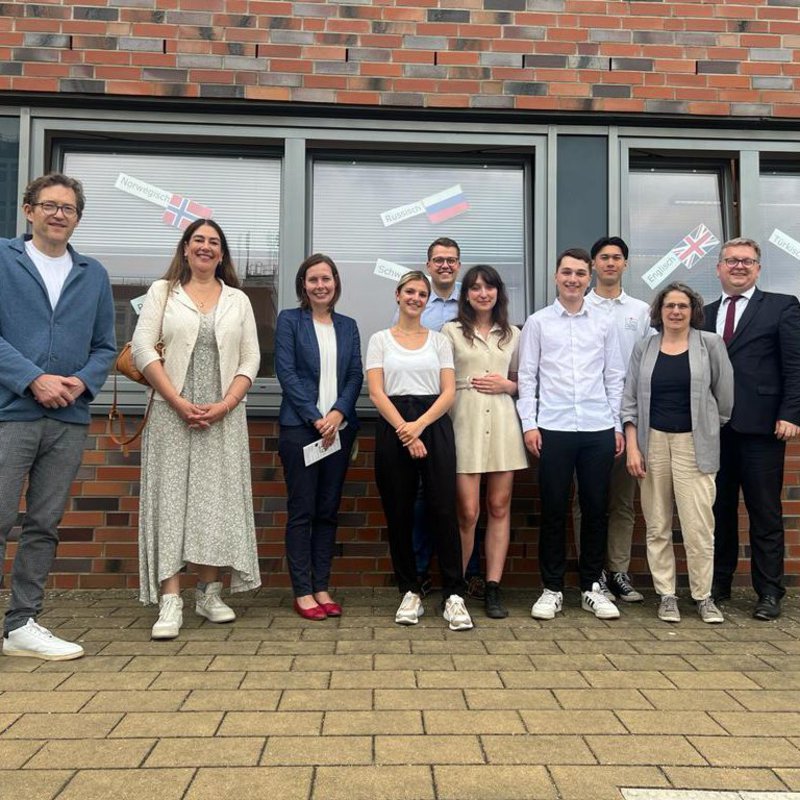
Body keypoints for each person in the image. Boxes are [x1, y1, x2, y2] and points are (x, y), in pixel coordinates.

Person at [0, 173, 115, 661]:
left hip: (68, 418)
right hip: (11, 413)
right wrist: (32, 378)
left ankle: (22, 624)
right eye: (49, 205)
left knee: (44, 523)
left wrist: (82, 382)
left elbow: (106, 345)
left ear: (78, 218)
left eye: (68, 208)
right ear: (29, 211)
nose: (59, 214)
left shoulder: (93, 273)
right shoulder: (4, 260)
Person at [132, 218, 261, 640]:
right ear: (185, 249)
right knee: (171, 501)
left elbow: (250, 359)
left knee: (213, 500)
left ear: (222, 254)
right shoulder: (161, 292)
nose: (205, 247)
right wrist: (176, 400)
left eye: (214, 243)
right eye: (198, 241)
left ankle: (208, 592)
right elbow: (142, 347)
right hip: (174, 410)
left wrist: (223, 405)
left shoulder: (238, 299)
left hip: (222, 415)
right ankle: (171, 599)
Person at [517, 248, 624, 621]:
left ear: (589, 277)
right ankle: (552, 588)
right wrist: (529, 424)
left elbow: (613, 376)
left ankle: (593, 586)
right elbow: (527, 378)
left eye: (580, 273)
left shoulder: (603, 323)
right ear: (555, 277)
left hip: (597, 427)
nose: (573, 279)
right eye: (567, 272)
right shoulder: (538, 322)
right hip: (553, 428)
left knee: (596, 508)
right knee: (554, 509)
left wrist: (614, 426)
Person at [622, 282, 733, 624]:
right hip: (652, 442)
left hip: (693, 444)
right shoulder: (645, 347)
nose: (675, 312)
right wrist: (632, 447)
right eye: (669, 306)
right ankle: (666, 594)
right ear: (659, 311)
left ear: (693, 311)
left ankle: (703, 596)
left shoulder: (710, 345)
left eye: (682, 306)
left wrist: (709, 428)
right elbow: (629, 400)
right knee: (656, 524)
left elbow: (725, 399)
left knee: (698, 526)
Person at [367, 271, 472, 631]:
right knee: (399, 511)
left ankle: (454, 594)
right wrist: (405, 432)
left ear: (427, 300)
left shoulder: (439, 340)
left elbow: (448, 392)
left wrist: (420, 427)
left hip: (433, 424)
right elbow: (377, 392)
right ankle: (410, 589)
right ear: (398, 295)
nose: (415, 298)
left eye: (421, 293)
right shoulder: (380, 339)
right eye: (409, 291)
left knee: (444, 507)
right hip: (395, 423)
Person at [703, 237, 800, 620]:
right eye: (731, 261)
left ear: (758, 268)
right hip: (715, 430)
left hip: (763, 428)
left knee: (764, 512)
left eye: (746, 261)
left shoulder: (782, 307)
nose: (738, 267)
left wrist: (791, 413)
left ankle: (769, 591)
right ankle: (719, 584)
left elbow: (795, 365)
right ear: (719, 268)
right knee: (719, 510)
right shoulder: (705, 314)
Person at [275, 254, 363, 621]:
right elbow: (286, 372)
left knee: (327, 511)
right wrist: (316, 418)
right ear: (303, 286)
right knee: (302, 511)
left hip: (338, 432)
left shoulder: (348, 325)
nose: (320, 286)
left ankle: (322, 586)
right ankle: (303, 591)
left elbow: (355, 374)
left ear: (336, 283)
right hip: (301, 430)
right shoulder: (289, 321)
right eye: (313, 280)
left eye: (326, 279)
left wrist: (338, 414)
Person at [441, 265, 527, 619]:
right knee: (467, 511)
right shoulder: (450, 332)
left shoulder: (513, 334)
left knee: (499, 507)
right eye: (475, 287)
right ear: (466, 294)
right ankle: (457, 588)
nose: (482, 293)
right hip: (465, 422)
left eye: (489, 287)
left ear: (498, 293)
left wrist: (508, 386)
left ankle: (492, 586)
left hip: (504, 423)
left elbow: (527, 380)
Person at [574, 236, 652, 604]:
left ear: (625, 264)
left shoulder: (641, 311)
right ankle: (592, 575)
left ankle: (618, 571)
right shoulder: (576, 307)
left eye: (616, 258)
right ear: (592, 264)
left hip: (629, 414)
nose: (609, 263)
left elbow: (650, 362)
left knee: (622, 500)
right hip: (586, 417)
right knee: (586, 500)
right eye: (603, 257)